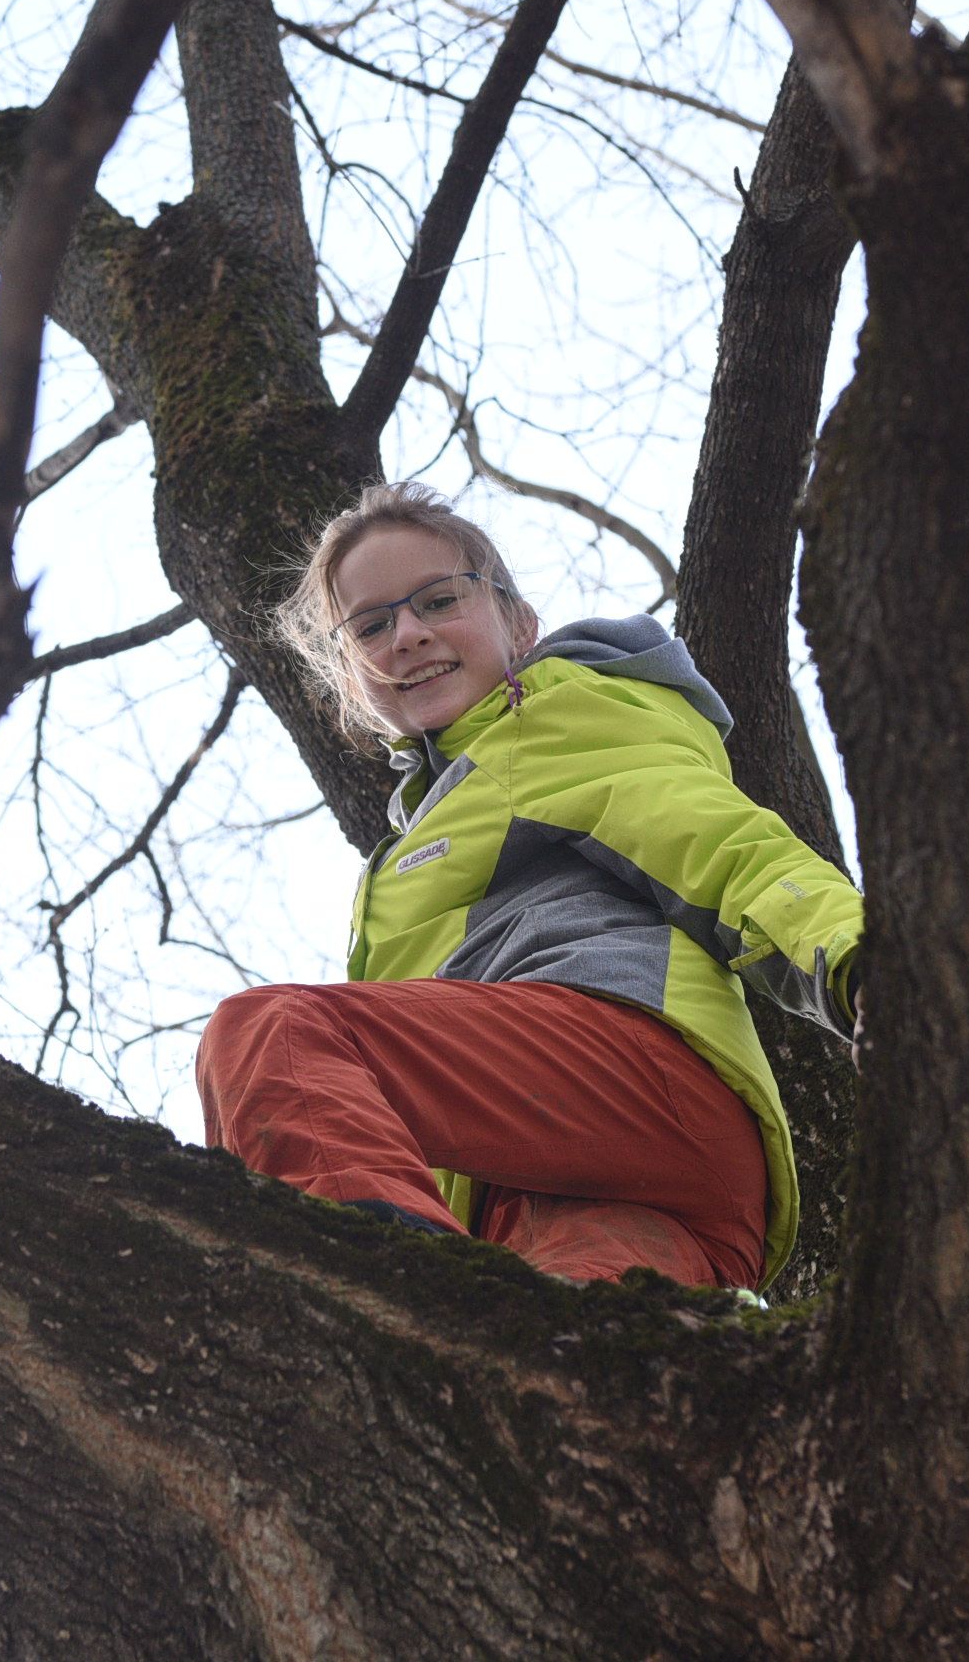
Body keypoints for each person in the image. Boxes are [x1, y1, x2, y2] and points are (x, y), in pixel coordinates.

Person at [196, 483, 864, 1289]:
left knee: (275, 1034)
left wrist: (866, 965)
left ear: (518, 621)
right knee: (557, 1357)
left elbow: (718, 844)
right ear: (350, 672)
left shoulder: (552, 718)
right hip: (604, 1187)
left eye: (438, 600)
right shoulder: (441, 814)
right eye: (371, 626)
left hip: (624, 1075)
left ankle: (379, 1295)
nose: (407, 635)